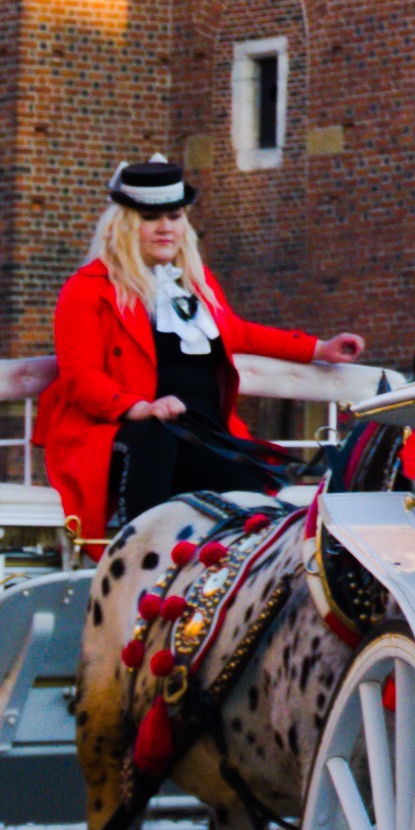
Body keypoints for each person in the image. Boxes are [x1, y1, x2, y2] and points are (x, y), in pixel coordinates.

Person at [37, 155, 360, 541]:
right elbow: (80, 377)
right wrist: (140, 407)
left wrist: (319, 349)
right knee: (154, 441)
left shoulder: (195, 281)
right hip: (123, 432)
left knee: (248, 490)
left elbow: (236, 333)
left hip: (198, 432)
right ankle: (139, 553)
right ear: (122, 226)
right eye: (149, 218)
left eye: (174, 217)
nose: (164, 229)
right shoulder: (88, 289)